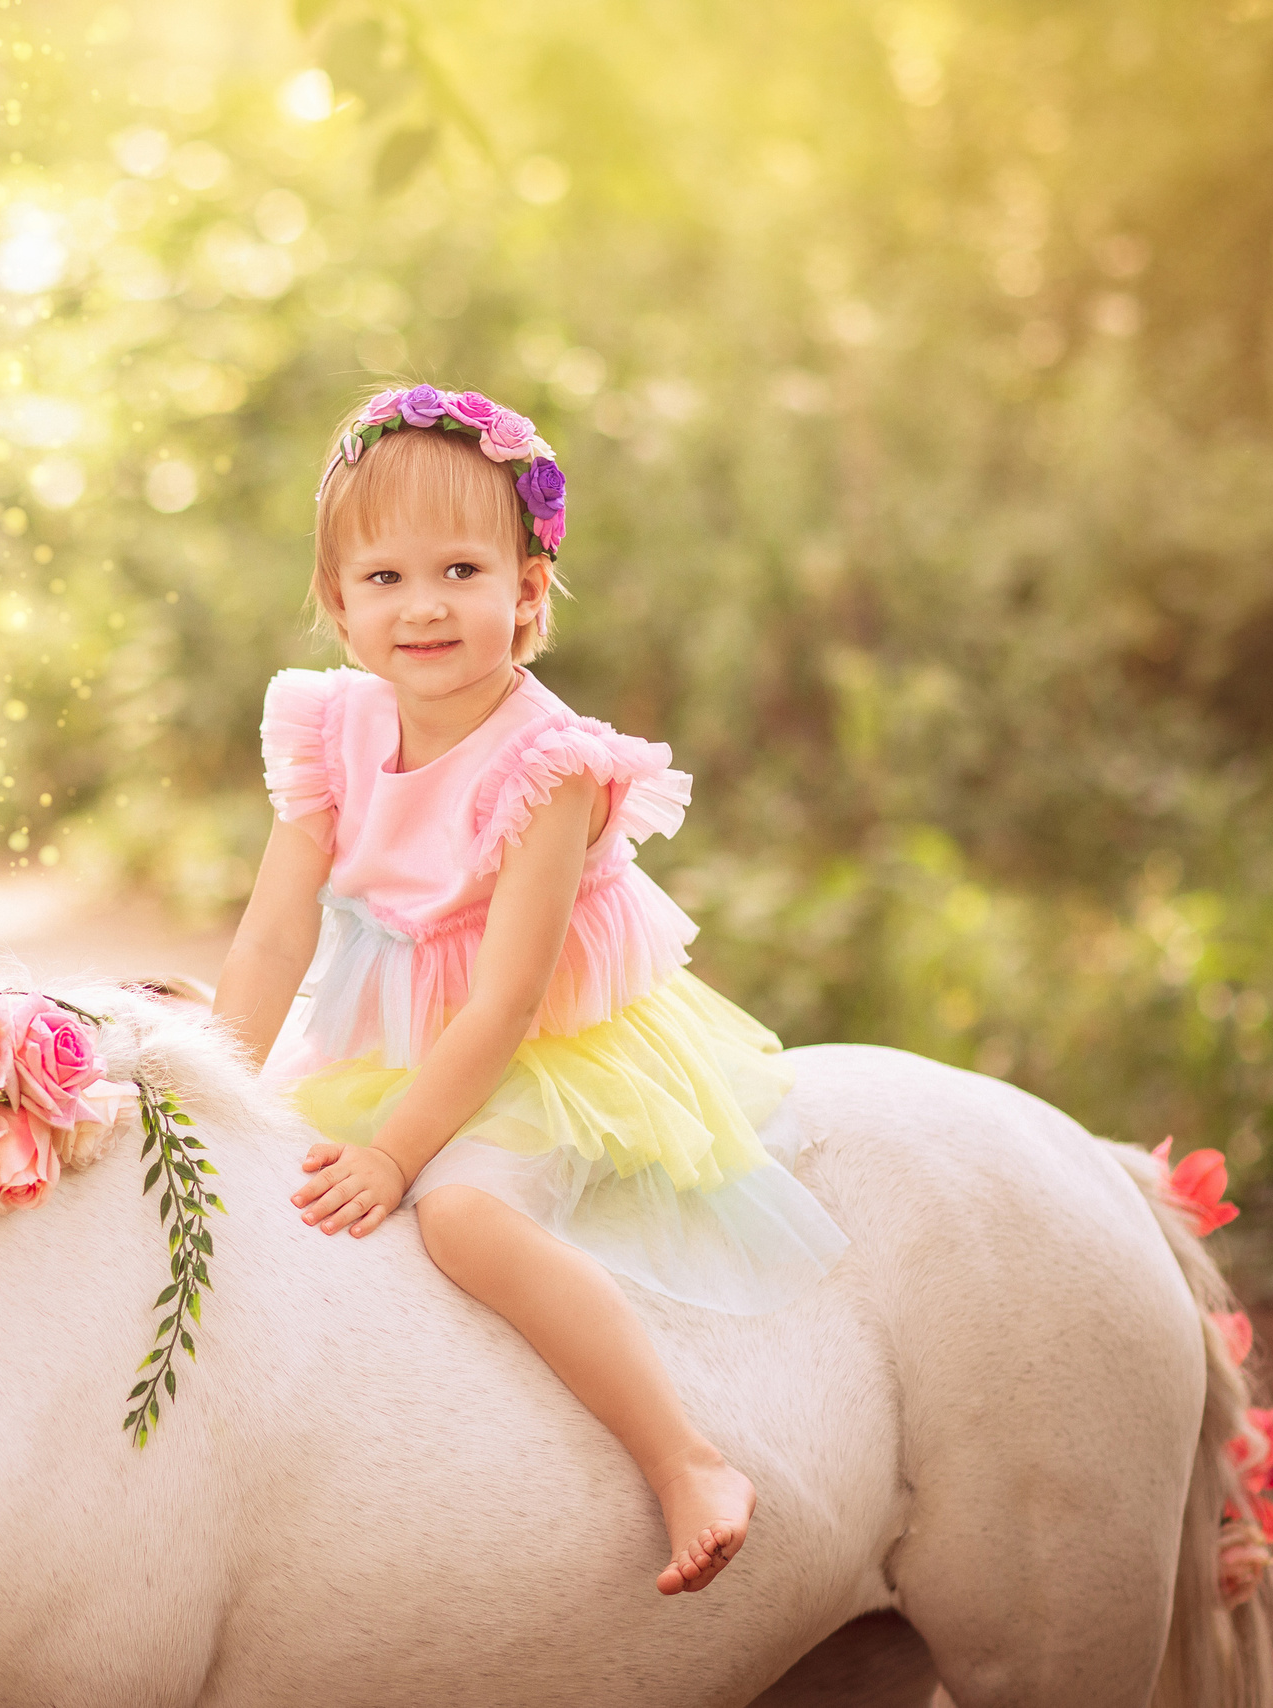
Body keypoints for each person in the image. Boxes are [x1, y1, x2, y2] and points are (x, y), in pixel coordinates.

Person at [212, 384, 848, 1596]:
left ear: (528, 590)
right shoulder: (328, 726)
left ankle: (684, 1459)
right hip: (394, 1040)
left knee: (463, 1215)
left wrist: (398, 1155)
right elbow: (270, 935)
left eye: (460, 568)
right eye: (383, 578)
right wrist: (212, 1091)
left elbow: (504, 1003)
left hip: (544, 1046)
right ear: (337, 606)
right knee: (263, 1178)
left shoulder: (549, 763)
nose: (423, 604)